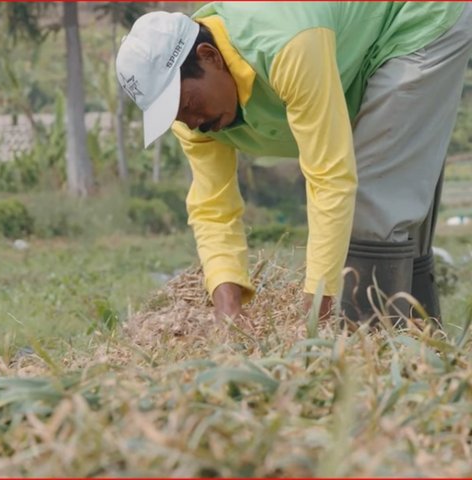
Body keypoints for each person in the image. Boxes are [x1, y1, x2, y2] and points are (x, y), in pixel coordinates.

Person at [116, 3, 472, 325]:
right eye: (176, 117)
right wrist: (229, 313)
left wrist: (313, 321)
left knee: (372, 196)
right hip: (354, 52)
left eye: (189, 104)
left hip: (415, 21)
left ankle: (374, 360)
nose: (192, 123)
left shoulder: (286, 44)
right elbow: (213, 208)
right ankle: (422, 343)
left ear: (209, 56)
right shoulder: (191, 118)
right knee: (387, 193)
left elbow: (330, 177)